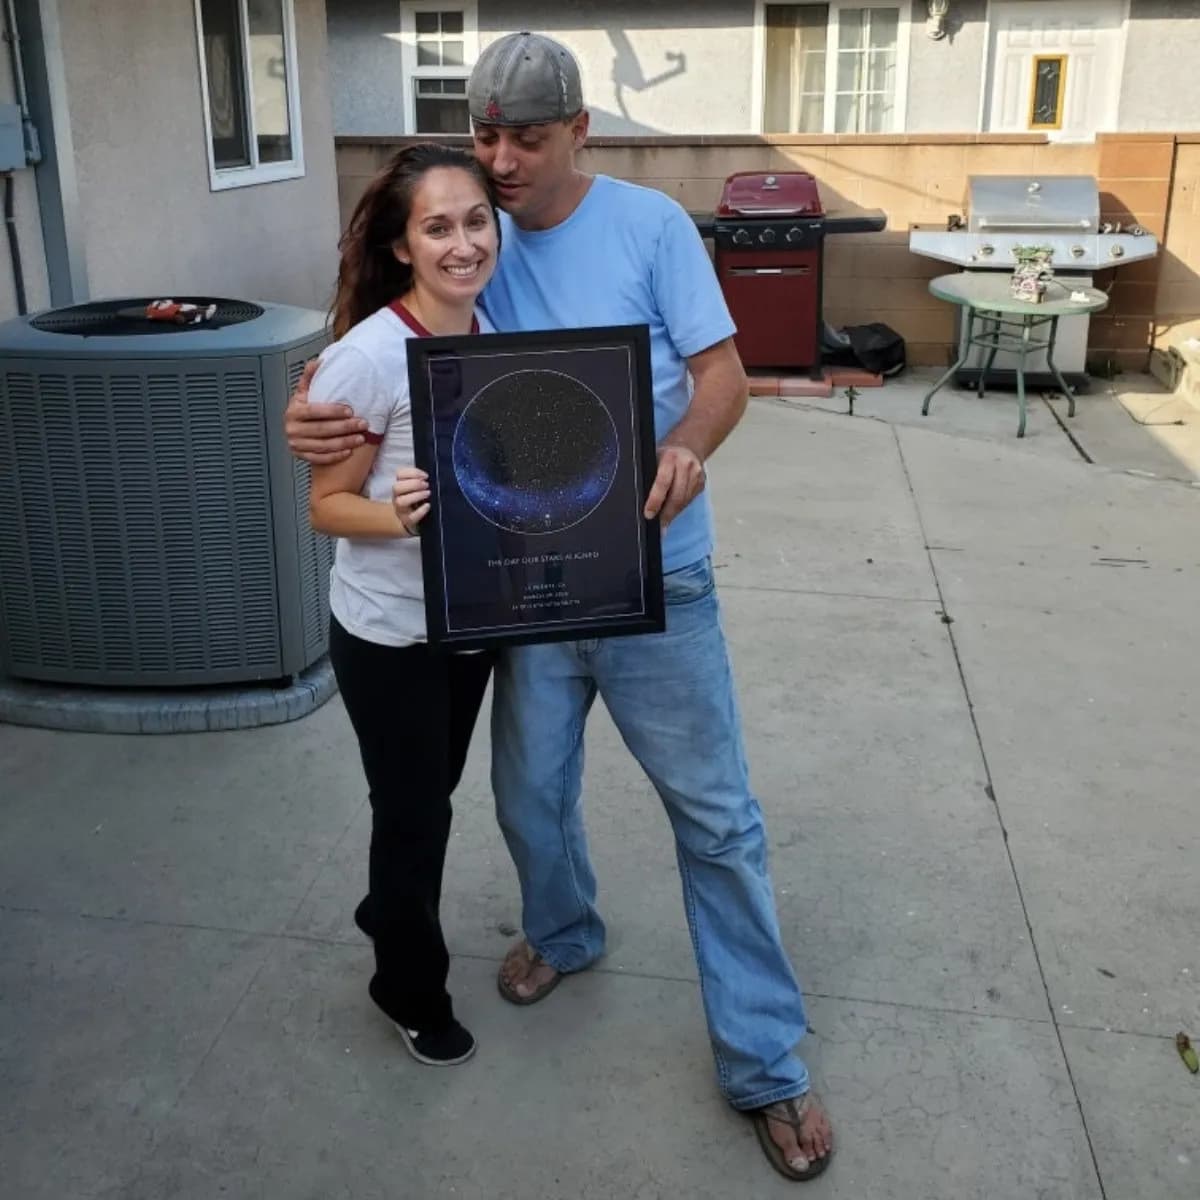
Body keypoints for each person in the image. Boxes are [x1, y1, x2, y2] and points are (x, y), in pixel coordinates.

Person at [287, 34, 834, 1180]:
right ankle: (567, 930)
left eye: (527, 137)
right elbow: (382, 353)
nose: (502, 161)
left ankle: (767, 1062)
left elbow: (724, 376)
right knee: (529, 794)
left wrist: (686, 447)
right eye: (486, 136)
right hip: (527, 585)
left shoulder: (649, 228)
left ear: (582, 130)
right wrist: (310, 417)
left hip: (659, 577)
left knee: (717, 819)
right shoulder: (470, 245)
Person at [307, 143, 500, 1067]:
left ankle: (387, 910)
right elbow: (324, 507)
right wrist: (397, 513)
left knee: (433, 794)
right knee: (415, 813)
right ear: (401, 246)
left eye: (474, 221)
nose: (461, 243)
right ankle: (409, 987)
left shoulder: (492, 331)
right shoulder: (369, 358)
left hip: (470, 625)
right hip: (388, 637)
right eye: (437, 226)